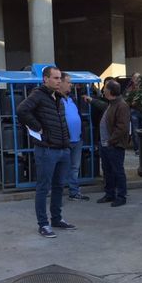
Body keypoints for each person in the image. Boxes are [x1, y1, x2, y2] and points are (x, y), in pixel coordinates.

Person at [17, 66, 76, 238]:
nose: (59, 81)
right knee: (43, 187)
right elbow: (21, 110)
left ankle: (57, 219)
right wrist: (37, 127)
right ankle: (43, 224)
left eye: (60, 78)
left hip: (63, 149)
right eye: (56, 78)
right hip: (47, 150)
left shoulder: (58, 97)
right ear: (45, 79)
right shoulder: (38, 95)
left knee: (59, 186)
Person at [95, 80, 131, 207]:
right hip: (106, 144)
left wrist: (111, 141)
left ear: (109, 91)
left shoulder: (121, 105)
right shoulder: (111, 104)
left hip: (114, 145)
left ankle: (121, 196)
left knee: (117, 171)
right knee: (107, 170)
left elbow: (122, 127)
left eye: (105, 88)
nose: (103, 90)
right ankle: (109, 194)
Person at [59, 73, 90, 202]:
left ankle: (74, 192)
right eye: (68, 82)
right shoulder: (56, 100)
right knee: (61, 168)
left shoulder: (72, 99)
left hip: (77, 139)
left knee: (74, 168)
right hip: (64, 141)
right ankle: (58, 194)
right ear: (60, 83)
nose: (70, 84)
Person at [126, 73, 142, 156]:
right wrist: (131, 102)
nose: (137, 79)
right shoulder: (130, 88)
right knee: (135, 130)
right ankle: (137, 149)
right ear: (132, 79)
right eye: (135, 78)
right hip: (134, 110)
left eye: (138, 78)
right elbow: (126, 98)